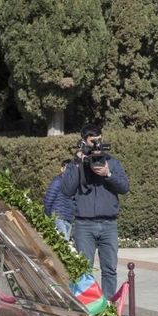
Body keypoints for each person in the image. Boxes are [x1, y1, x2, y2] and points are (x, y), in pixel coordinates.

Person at [61, 123, 130, 300]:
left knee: (110, 269)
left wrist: (108, 174)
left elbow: (124, 187)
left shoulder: (112, 162)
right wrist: (77, 163)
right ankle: (88, 309)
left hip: (109, 224)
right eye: (93, 142)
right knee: (83, 271)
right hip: (85, 225)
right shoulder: (76, 163)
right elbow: (67, 190)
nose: (96, 145)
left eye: (99, 141)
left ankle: (107, 309)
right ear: (83, 142)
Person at [43, 159, 75, 241]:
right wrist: (48, 215)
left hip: (68, 220)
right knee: (62, 242)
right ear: (62, 169)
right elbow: (49, 199)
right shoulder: (58, 181)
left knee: (65, 243)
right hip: (58, 218)